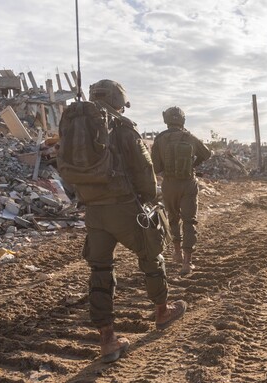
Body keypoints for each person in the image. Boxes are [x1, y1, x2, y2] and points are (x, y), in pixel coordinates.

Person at [79, 80, 187, 363]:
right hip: (124, 208)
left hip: (93, 210)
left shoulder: (80, 126)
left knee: (100, 270)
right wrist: (148, 198)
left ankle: (107, 339)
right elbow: (145, 171)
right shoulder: (123, 128)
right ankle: (163, 312)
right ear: (119, 100)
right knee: (152, 255)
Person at [151, 106, 211, 275]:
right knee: (189, 221)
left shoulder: (160, 139)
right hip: (188, 183)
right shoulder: (189, 137)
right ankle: (187, 262)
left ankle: (176, 253)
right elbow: (207, 154)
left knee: (173, 219)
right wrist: (192, 164)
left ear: (166, 120)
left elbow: (155, 166)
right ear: (182, 120)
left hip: (169, 184)